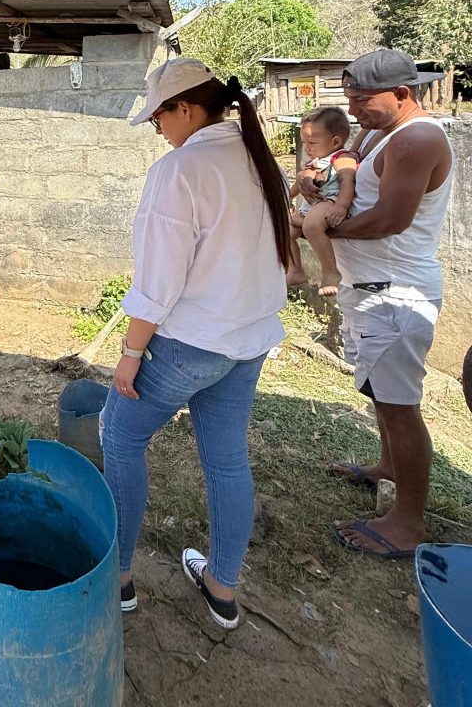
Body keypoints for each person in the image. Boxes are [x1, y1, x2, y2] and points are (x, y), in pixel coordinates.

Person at [101, 59, 291, 630]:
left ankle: (118, 579)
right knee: (227, 459)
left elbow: (158, 284)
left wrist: (131, 353)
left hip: (189, 343)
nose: (158, 128)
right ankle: (222, 586)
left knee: (119, 434)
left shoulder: (180, 170)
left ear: (185, 108)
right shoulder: (261, 161)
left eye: (159, 116)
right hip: (247, 340)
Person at [305, 49, 453, 560]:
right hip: (370, 290)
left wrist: (327, 227)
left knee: (400, 406)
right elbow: (352, 188)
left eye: (362, 100)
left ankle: (407, 524)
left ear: (403, 94)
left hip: (394, 294)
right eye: (348, 98)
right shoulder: (381, 134)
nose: (353, 110)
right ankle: (387, 467)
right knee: (378, 391)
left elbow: (391, 218)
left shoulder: (418, 138)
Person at [285, 106, 359, 296]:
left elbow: (348, 181)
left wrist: (341, 206)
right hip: (314, 205)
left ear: (335, 142)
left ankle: (330, 272)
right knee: (286, 232)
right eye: (304, 142)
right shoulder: (316, 160)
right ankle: (295, 270)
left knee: (310, 226)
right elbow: (300, 184)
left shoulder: (341, 157)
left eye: (312, 142)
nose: (307, 147)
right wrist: (287, 196)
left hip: (330, 201)